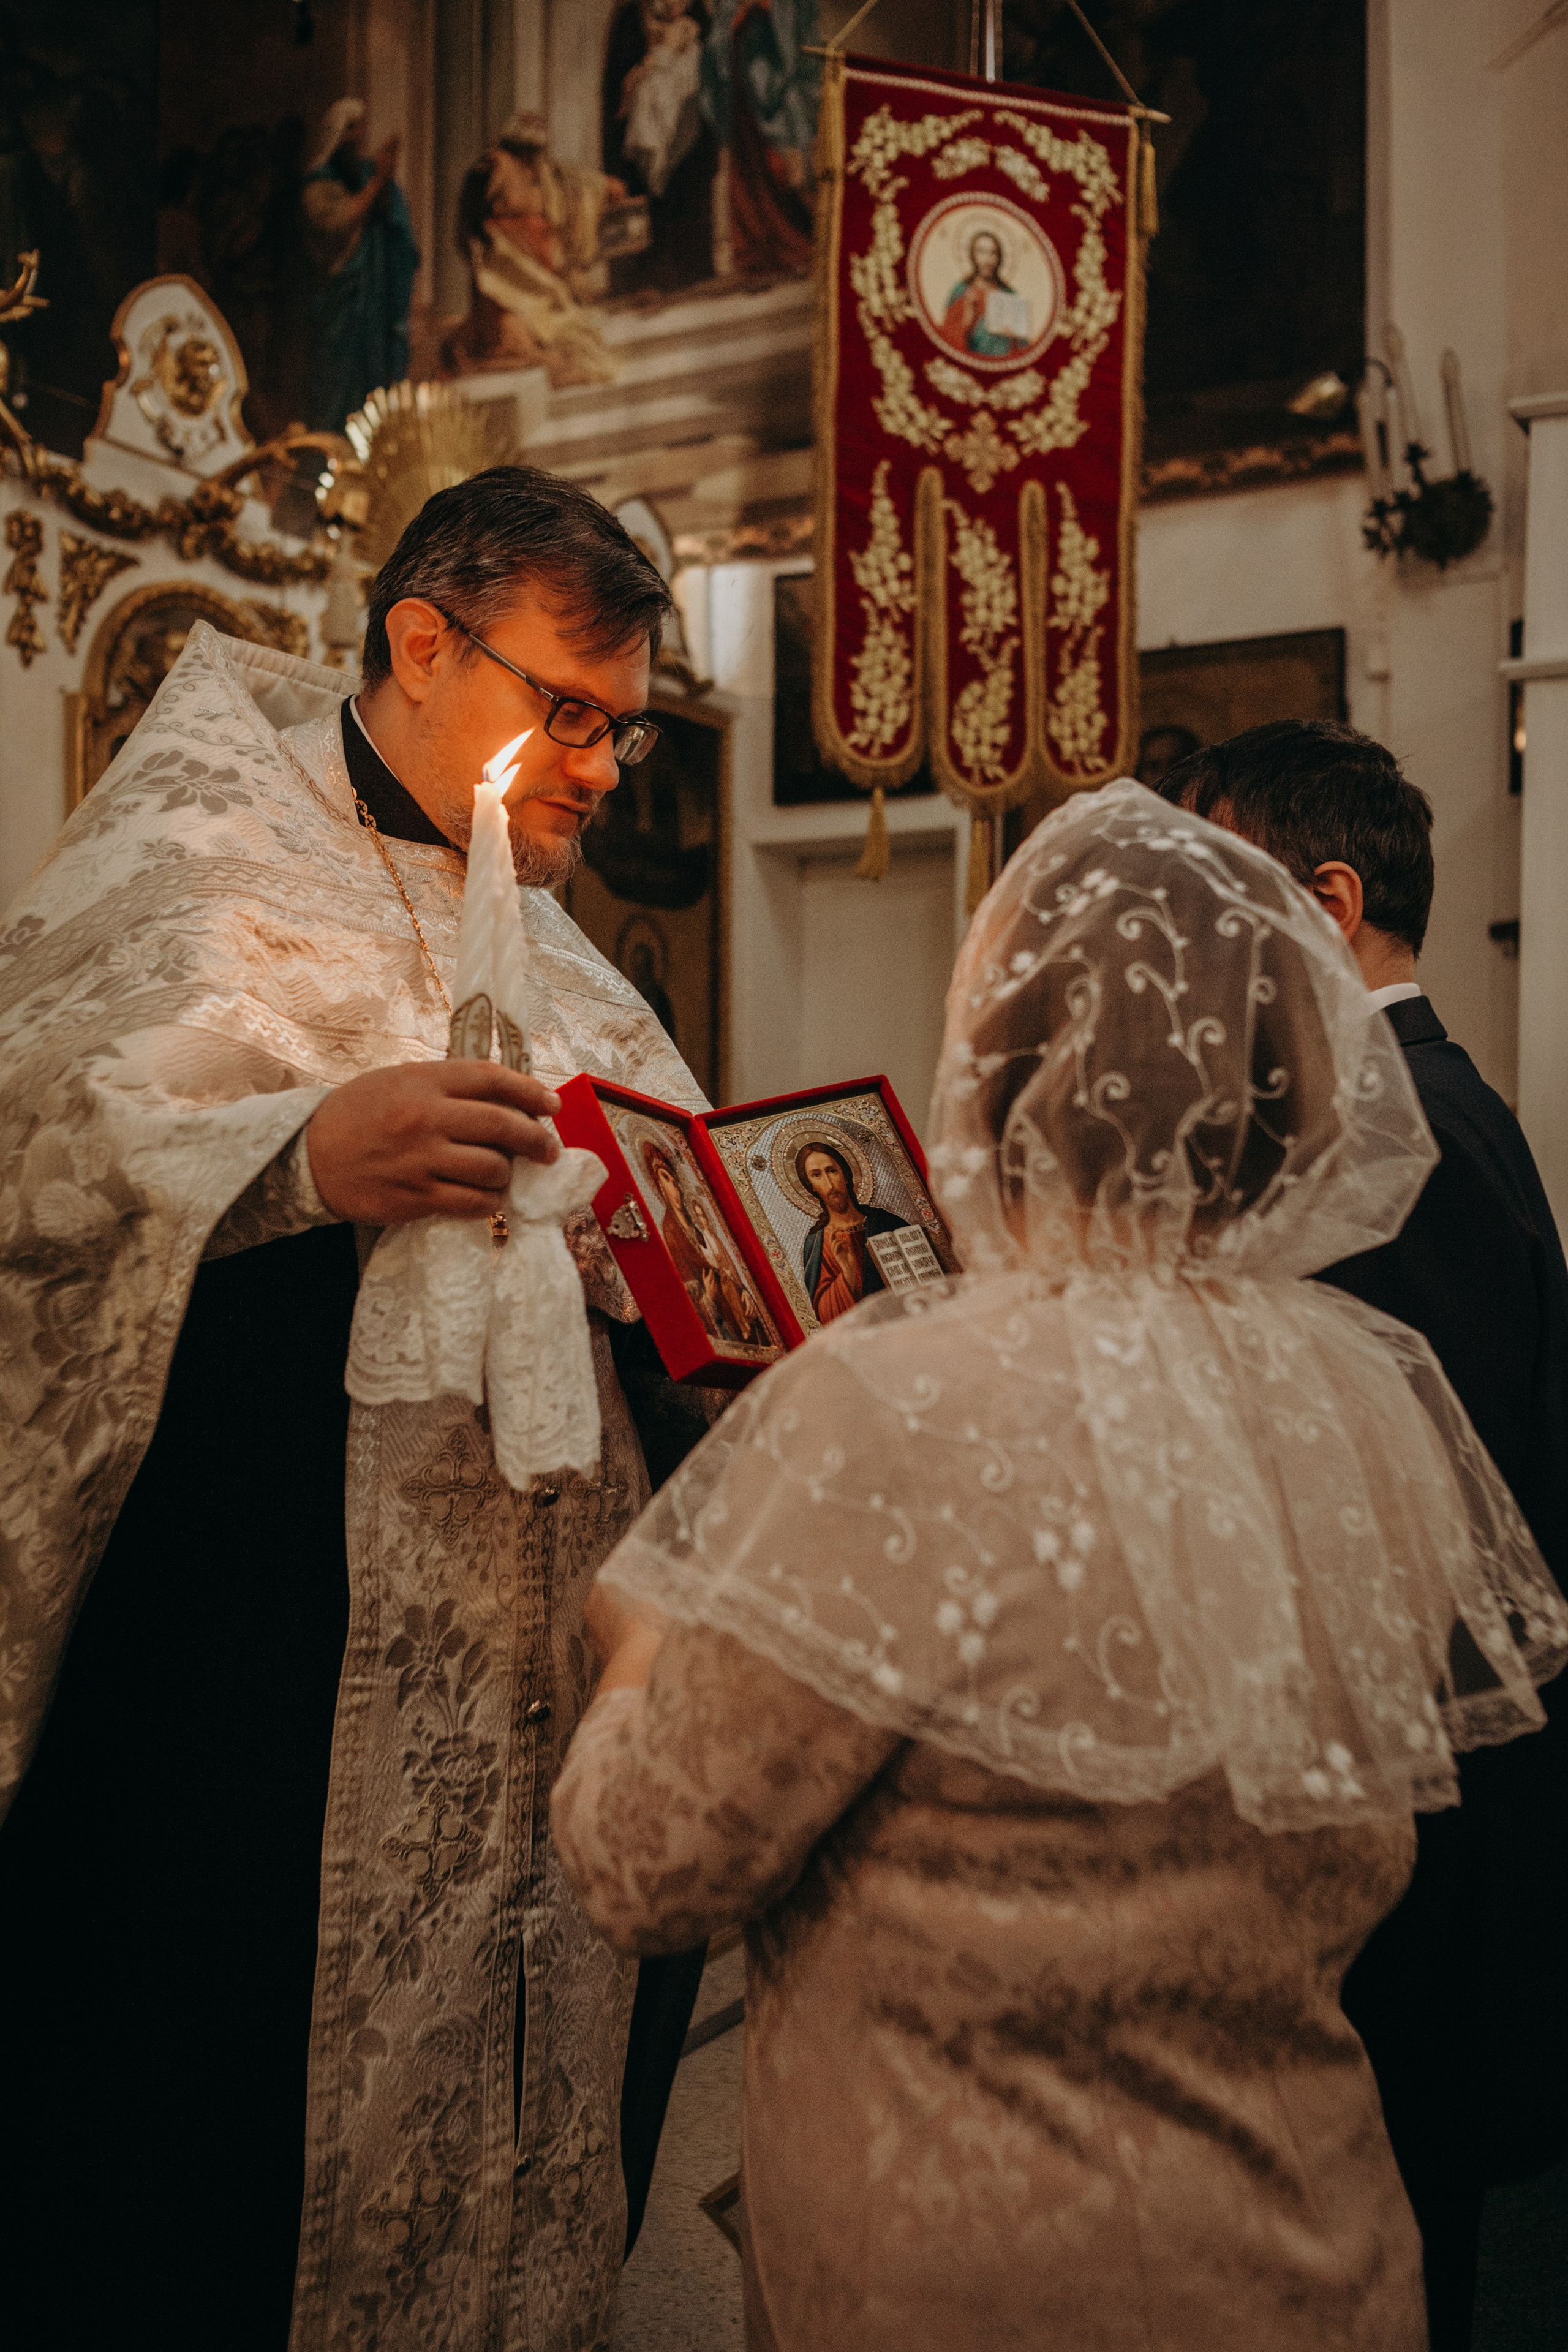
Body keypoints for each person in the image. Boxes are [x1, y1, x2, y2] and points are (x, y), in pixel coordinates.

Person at [551, 777, 1568, 2351]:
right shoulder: (1362, 1394)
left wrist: (637, 1641)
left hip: (962, 2265)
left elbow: (648, 1865)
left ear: (995, 1072)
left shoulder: (897, 1396)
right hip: (1312, 2238)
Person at [0, 467, 718, 2351]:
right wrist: (297, 1150)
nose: (593, 767)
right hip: (259, 1682)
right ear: (422, 639)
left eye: (620, 733)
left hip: (539, 1679)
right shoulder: (196, 857)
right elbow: (38, 1165)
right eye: (566, 710)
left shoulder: (573, 968)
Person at [1158, 718, 1568, 2351]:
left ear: (1324, 903)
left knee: (1388, 2270)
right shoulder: (1413, 1106)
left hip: (1421, 1834)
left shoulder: (1397, 1137)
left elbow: (1412, 1535)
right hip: (1400, 1820)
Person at [447, 111, 623, 386]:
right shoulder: (496, 165)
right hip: (505, 269)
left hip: (532, 268)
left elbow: (572, 181)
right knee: (525, 336)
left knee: (568, 327)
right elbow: (470, 216)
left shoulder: (539, 171)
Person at [301, 96, 419, 432]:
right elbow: (339, 223)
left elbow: (387, 220)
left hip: (372, 303)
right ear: (336, 138)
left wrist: (385, 181)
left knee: (374, 373)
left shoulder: (363, 177)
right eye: (350, 132)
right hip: (338, 304)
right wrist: (378, 181)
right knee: (336, 386)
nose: (358, 142)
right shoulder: (317, 187)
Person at [797, 1138, 904, 1322]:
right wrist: (848, 1274)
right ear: (811, 1187)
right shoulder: (816, 1244)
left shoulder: (886, 1222)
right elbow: (826, 1317)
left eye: (832, 1171)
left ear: (845, 1175)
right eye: (817, 1175)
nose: (830, 1184)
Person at [940, 227, 1030, 358]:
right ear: (973, 255)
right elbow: (947, 337)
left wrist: (1013, 336)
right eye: (981, 252)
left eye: (993, 253)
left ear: (999, 258)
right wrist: (967, 319)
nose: (987, 260)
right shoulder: (962, 291)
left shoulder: (1009, 295)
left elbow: (1022, 345)